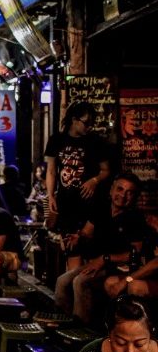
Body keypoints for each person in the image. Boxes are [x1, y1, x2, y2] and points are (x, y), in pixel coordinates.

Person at [56, 173, 146, 327]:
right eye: (120, 189)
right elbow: (86, 232)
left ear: (134, 197)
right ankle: (62, 326)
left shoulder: (135, 218)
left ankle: (81, 330)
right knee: (62, 281)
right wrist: (77, 237)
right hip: (97, 264)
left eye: (129, 193)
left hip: (118, 268)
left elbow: (136, 253)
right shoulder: (101, 207)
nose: (123, 195)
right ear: (111, 190)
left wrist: (105, 258)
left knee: (80, 281)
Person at [45, 101, 111, 270]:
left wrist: (94, 181)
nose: (89, 127)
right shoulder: (56, 140)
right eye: (86, 122)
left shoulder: (96, 141)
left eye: (91, 123)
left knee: (88, 247)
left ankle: (82, 282)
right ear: (74, 119)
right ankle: (72, 281)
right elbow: (51, 171)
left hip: (90, 204)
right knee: (71, 250)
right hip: (66, 203)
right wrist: (50, 195)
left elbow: (106, 170)